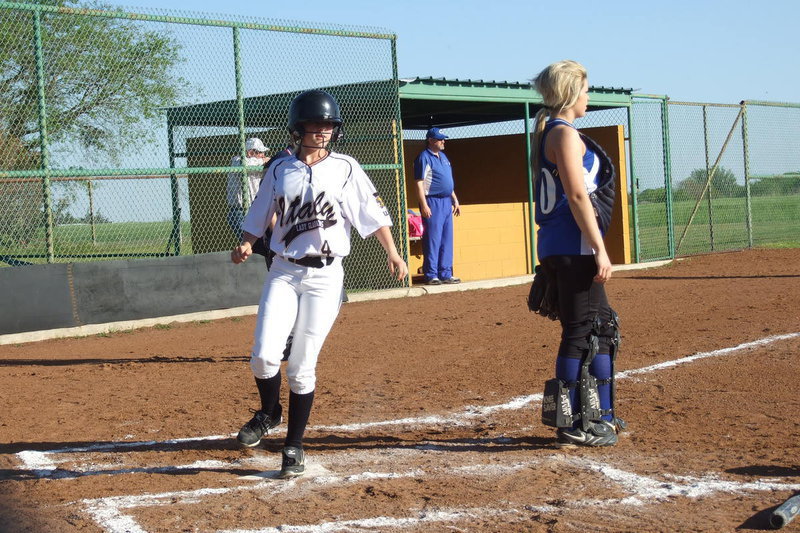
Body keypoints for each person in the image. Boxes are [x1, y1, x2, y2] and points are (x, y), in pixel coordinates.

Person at [231, 89, 408, 479]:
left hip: (325, 277)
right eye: (315, 124)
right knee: (263, 356)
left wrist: (393, 253)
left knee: (300, 366)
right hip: (283, 270)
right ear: (298, 128)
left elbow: (372, 213)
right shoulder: (280, 168)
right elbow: (260, 210)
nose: (323, 131)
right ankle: (269, 412)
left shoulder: (345, 167)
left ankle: (294, 445)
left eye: (328, 125)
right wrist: (246, 241)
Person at [531, 60, 624, 448]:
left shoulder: (552, 131)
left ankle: (601, 415)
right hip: (574, 247)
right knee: (582, 331)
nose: (589, 97)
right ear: (570, 94)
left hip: (564, 246)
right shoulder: (563, 134)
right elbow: (576, 195)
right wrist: (600, 248)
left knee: (601, 328)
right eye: (585, 90)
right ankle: (574, 423)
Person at [413, 127, 461, 285]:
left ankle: (446, 273)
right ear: (431, 140)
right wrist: (424, 205)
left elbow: (447, 181)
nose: (443, 141)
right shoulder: (424, 157)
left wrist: (455, 199)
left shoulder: (444, 156)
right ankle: (431, 274)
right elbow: (419, 183)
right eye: (440, 139)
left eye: (443, 139)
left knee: (447, 239)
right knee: (433, 239)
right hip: (432, 202)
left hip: (446, 201)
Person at [226, 137, 270, 239]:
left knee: (262, 240)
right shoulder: (237, 161)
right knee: (249, 242)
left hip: (255, 209)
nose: (263, 155)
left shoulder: (259, 164)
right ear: (250, 153)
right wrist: (263, 160)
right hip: (239, 211)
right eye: (260, 152)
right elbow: (244, 163)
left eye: (263, 153)